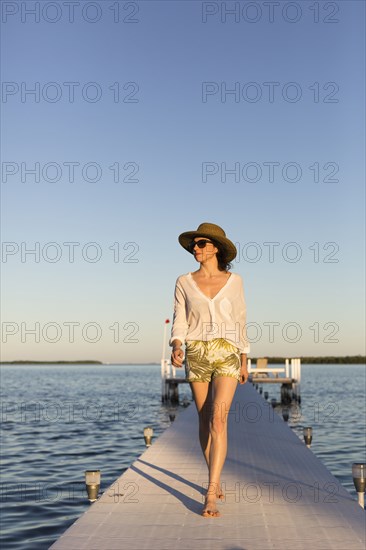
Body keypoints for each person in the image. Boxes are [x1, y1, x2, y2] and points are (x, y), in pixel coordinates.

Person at [169, 222, 250, 518]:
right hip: (197, 351)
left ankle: (210, 491)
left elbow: (240, 320)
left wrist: (244, 358)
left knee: (218, 422)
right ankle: (214, 478)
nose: (196, 249)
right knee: (204, 422)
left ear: (216, 247)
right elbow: (179, 318)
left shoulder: (235, 280)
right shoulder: (183, 281)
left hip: (227, 351)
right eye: (194, 245)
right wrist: (176, 344)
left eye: (201, 244)